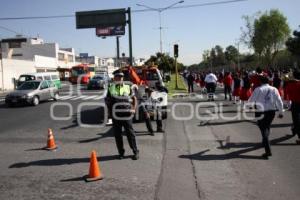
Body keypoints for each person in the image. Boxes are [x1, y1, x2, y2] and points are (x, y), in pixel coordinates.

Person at [105, 70, 139, 160]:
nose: (120, 79)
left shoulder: (128, 87)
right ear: (114, 79)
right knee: (118, 135)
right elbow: (108, 102)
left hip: (127, 114)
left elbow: (134, 99)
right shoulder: (110, 88)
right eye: (118, 77)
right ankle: (121, 153)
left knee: (130, 134)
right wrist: (109, 114)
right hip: (116, 116)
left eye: (121, 77)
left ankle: (135, 151)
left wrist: (133, 109)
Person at [248, 74, 284, 159]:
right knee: (267, 126)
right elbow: (279, 101)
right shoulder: (274, 89)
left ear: (260, 81)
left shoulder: (258, 89)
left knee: (263, 128)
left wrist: (249, 106)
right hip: (271, 111)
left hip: (260, 111)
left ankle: (267, 149)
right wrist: (280, 112)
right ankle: (265, 140)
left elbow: (252, 99)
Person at [285, 69, 300, 144]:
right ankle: (294, 130)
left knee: (296, 120)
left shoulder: (291, 84)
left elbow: (288, 93)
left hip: (295, 103)